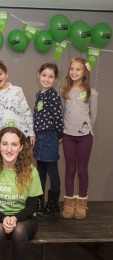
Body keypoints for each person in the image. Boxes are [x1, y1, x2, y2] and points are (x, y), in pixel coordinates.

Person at [0, 127, 43, 260]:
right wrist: (4, 218)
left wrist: (14, 218)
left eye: (14, 144)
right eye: (5, 144)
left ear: (21, 148)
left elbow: (32, 207)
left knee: (19, 231)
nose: (9, 149)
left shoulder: (31, 172)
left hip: (24, 219)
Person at [60, 58, 98, 220]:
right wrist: (63, 132)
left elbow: (93, 116)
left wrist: (86, 130)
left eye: (78, 69)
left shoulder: (92, 92)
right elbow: (62, 113)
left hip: (85, 137)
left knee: (82, 170)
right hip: (68, 135)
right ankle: (69, 203)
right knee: (70, 170)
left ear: (84, 73)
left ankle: (81, 204)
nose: (74, 72)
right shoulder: (64, 90)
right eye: (72, 69)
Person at [33, 63, 64, 217]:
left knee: (53, 172)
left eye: (50, 77)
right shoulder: (39, 94)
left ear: (55, 79)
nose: (46, 79)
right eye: (44, 75)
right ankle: (39, 204)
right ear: (38, 74)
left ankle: (53, 206)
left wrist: (59, 135)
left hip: (50, 136)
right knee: (40, 172)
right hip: (39, 137)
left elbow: (58, 118)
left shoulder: (53, 96)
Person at [0, 60, 35, 146]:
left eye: (0, 73)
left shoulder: (17, 90)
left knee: (24, 159)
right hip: (4, 138)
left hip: (22, 135)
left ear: (6, 74)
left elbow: (27, 112)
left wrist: (32, 133)